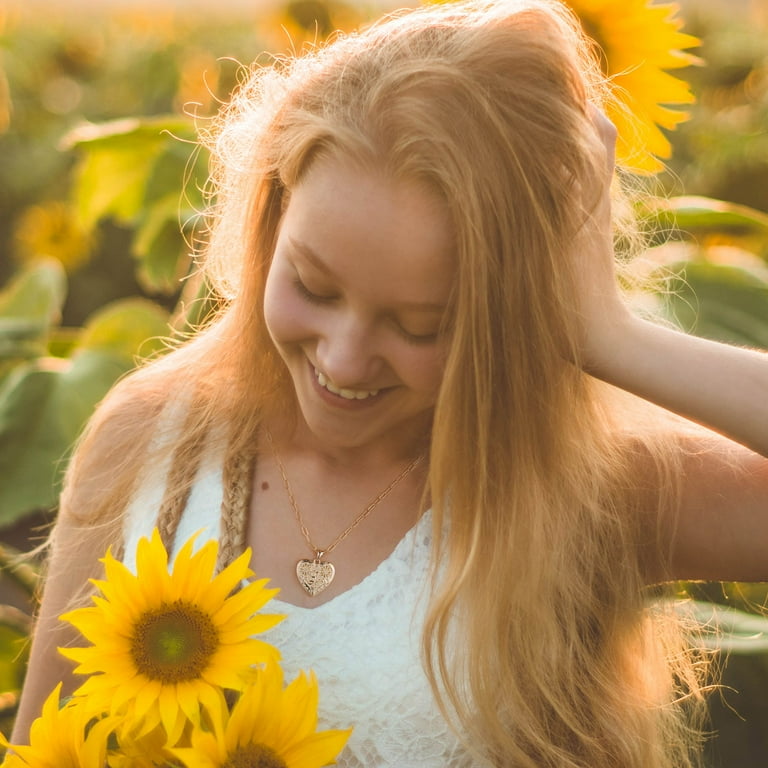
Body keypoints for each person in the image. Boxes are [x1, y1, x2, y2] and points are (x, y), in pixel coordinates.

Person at [10, 0, 768, 765]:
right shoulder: (153, 443)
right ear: (270, 215)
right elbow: (47, 749)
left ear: (510, 312)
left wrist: (609, 336)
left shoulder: (576, 484)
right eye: (314, 285)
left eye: (419, 326)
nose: (342, 361)